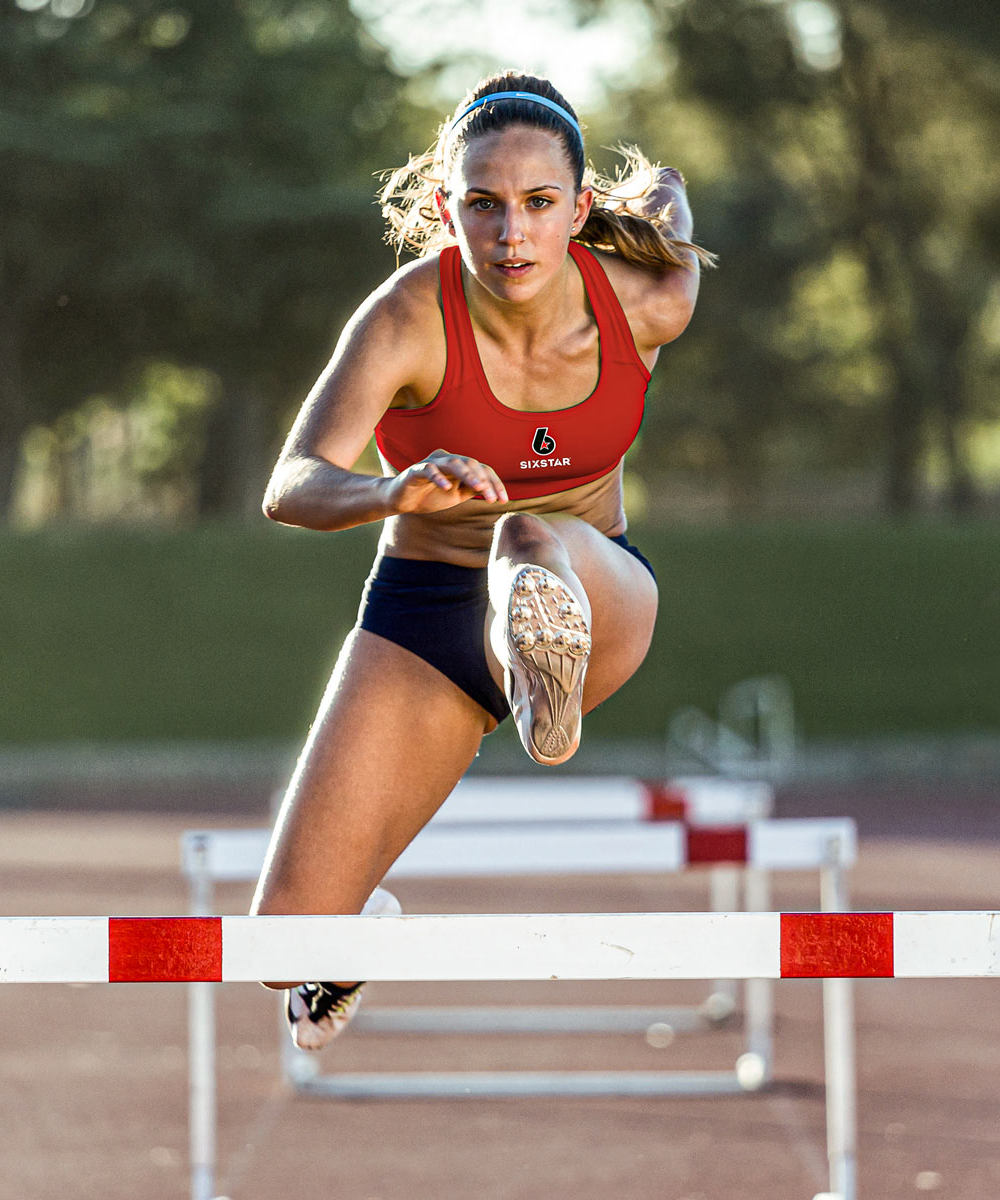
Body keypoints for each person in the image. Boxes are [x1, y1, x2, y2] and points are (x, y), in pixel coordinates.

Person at [250, 71, 712, 1049]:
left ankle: (544, 660)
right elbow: (291, 483)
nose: (512, 236)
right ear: (441, 206)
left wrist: (663, 193)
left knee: (526, 534)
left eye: (542, 205)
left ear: (579, 209)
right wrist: (389, 492)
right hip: (427, 615)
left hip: (593, 594)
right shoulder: (404, 320)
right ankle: (351, 938)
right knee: (279, 947)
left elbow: (672, 216)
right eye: (484, 205)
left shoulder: (646, 300)